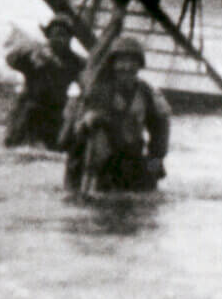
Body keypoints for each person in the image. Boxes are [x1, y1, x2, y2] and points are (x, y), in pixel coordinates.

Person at [62, 35, 170, 194]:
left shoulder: (146, 92)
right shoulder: (99, 91)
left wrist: (154, 165)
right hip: (100, 159)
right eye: (121, 61)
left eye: (132, 62)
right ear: (113, 64)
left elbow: (160, 131)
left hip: (131, 157)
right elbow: (76, 130)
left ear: (139, 65)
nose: (126, 67)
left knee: (150, 177)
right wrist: (88, 121)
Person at [4, 14, 86, 148]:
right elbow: (11, 59)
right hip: (29, 110)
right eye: (55, 34)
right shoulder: (36, 53)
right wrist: (28, 54)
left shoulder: (75, 61)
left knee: (57, 147)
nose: (59, 39)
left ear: (70, 38)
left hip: (55, 112)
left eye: (63, 35)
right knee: (19, 145)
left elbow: (88, 80)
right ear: (48, 36)